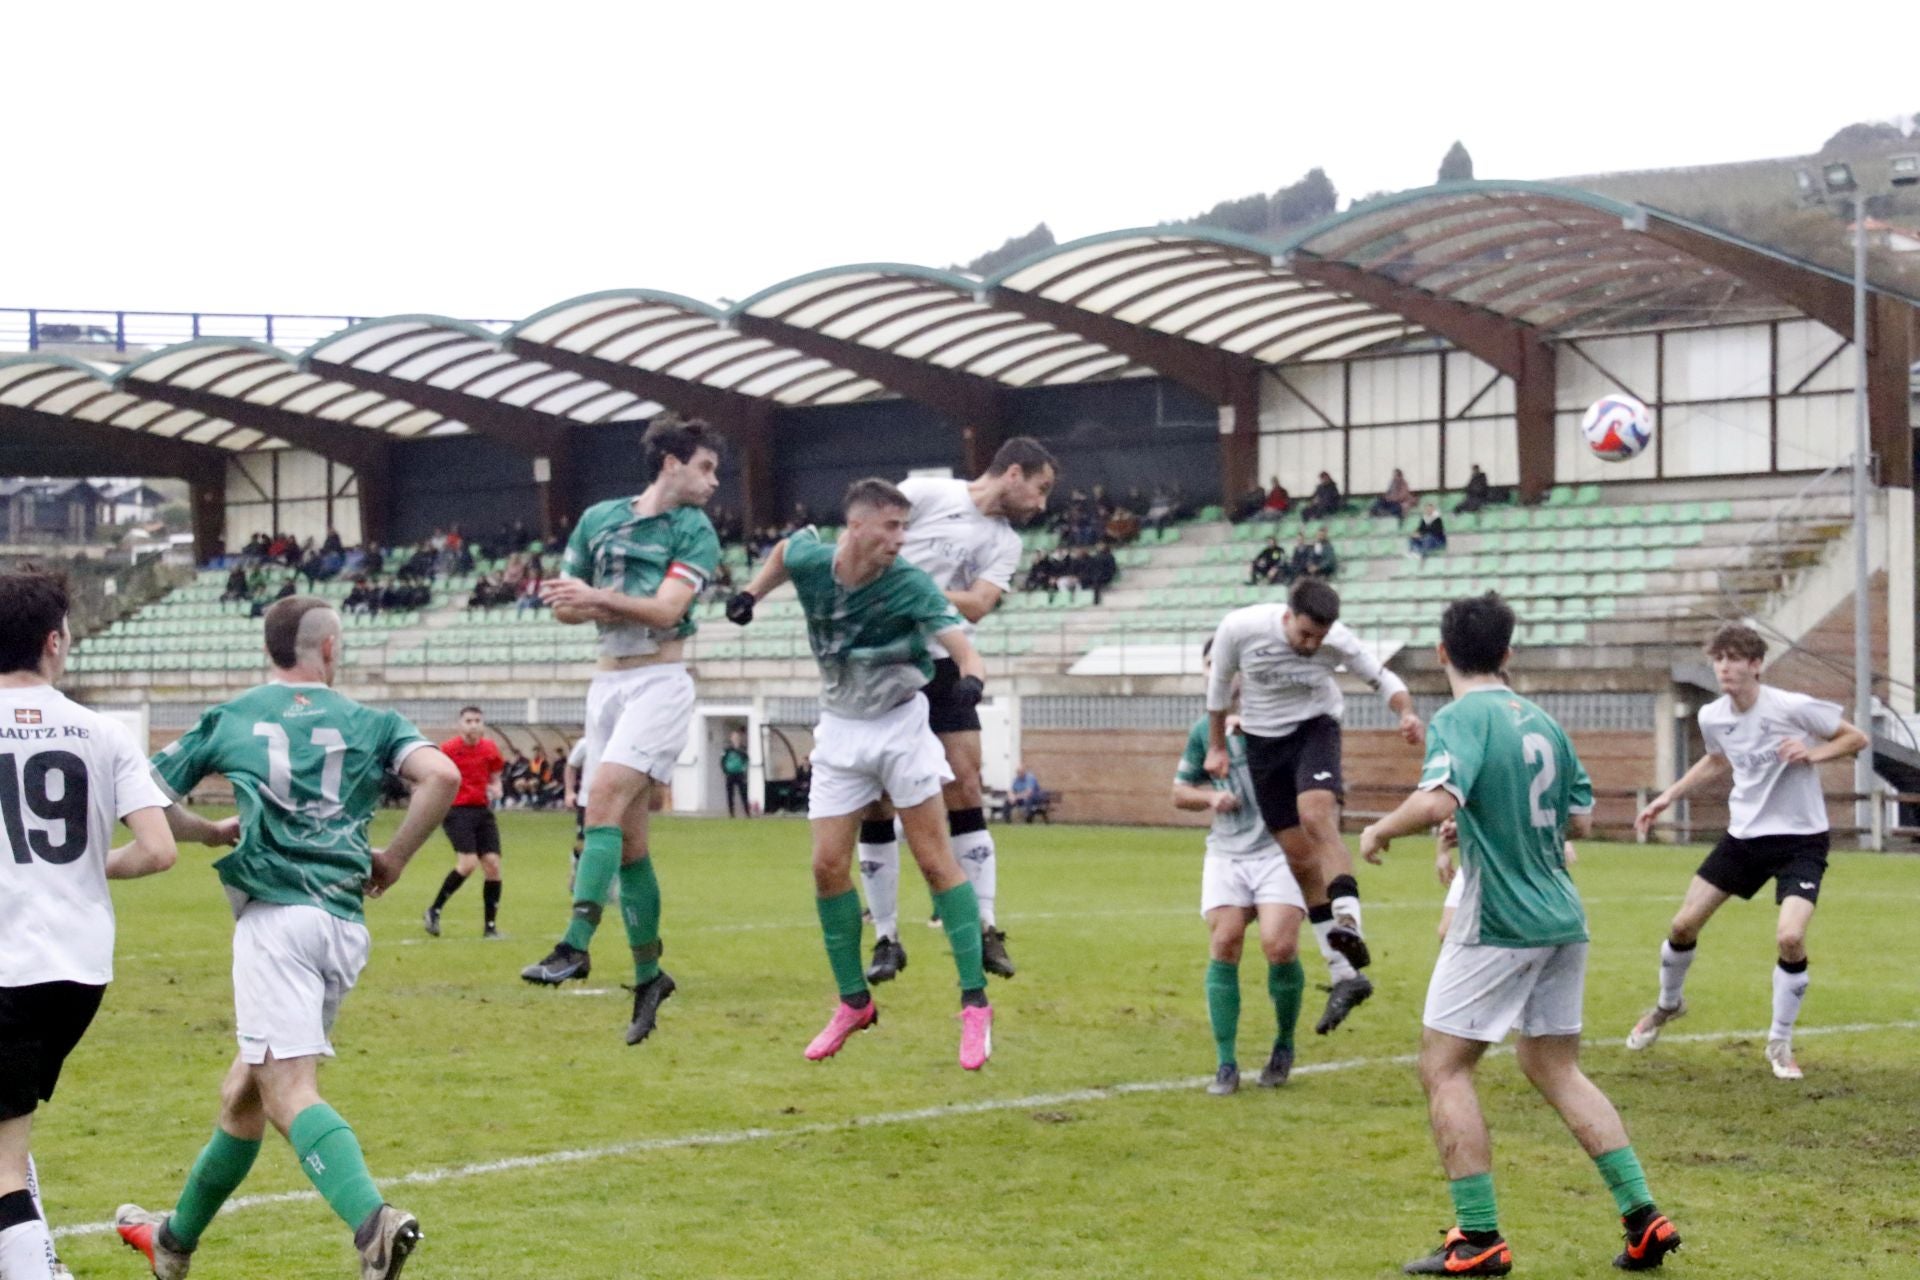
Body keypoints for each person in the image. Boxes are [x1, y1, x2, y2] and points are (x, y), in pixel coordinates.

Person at [116, 595, 460, 1280]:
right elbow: (441, 777)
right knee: (245, 1093)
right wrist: (392, 856)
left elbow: (143, 791)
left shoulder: (235, 716)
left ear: (271, 650)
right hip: (341, 921)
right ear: (328, 648)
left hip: (276, 919)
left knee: (288, 1088)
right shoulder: (372, 720)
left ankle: (374, 1224)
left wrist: (209, 830)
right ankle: (173, 1243)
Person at [1360, 592, 1681, 1276]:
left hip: (1502, 919)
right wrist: (1485, 819)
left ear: (1442, 652)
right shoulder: (1544, 722)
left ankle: (1478, 1237)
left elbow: (1441, 795)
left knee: (1444, 1066)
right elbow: (1581, 820)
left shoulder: (1459, 717)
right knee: (1554, 1066)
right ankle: (1643, 1217)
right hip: (1563, 917)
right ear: (1508, 653)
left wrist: (1383, 827)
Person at [727, 479, 997, 1070]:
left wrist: (972, 677)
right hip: (841, 728)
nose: (902, 539)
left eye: (905, 527)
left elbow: (963, 646)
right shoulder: (811, 558)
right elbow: (783, 553)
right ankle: (854, 1003)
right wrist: (750, 593)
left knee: (933, 859)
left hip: (900, 725)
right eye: (892, 528)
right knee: (826, 865)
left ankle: (975, 1003)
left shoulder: (910, 583)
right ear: (857, 527)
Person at [518, 420, 722, 1052]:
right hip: (606, 686)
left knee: (599, 799)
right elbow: (560, 603)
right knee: (630, 846)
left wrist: (597, 598)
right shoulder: (598, 518)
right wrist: (592, 601)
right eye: (706, 467)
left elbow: (665, 610)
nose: (713, 483)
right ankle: (648, 976)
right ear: (669, 463)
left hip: (661, 681)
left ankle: (574, 945)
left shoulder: (695, 530)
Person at [0, 571, 177, 1280]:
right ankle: (37, 1257)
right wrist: (79, 868)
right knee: (10, 1128)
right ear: (53, 642)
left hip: (6, 964)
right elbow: (159, 848)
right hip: (77, 971)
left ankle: (34, 1271)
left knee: (4, 1157)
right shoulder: (100, 730)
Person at [845, 439, 1057, 989]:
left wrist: (914, 592)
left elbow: (981, 603)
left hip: (942, 662)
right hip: (883, 659)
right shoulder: (926, 493)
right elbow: (868, 538)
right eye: (1041, 488)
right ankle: (887, 936)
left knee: (965, 783)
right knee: (877, 799)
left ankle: (986, 924)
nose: (1041, 503)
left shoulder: (1004, 541)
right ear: (1013, 473)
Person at [1627, 623, 1867, 1079]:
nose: (1725, 667)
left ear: (1756, 665)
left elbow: (1855, 738)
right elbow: (1718, 758)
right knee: (1682, 924)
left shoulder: (1791, 707)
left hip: (1801, 839)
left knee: (1790, 938)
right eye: (1719, 659)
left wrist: (1811, 754)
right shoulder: (1714, 716)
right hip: (1744, 838)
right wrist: (1668, 796)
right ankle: (1667, 1005)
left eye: (1735, 658)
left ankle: (1779, 1042)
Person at [1205, 579, 1424, 1034]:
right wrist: (1216, 747)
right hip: (1264, 744)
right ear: (1287, 616)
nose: (1311, 646)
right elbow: (1219, 686)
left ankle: (1350, 923)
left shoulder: (1336, 640)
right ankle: (1344, 973)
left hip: (1314, 729)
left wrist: (1405, 711)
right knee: (1299, 859)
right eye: (1305, 635)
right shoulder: (1240, 628)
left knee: (1316, 816)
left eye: (1319, 638)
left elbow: (1382, 678)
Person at [1177, 639, 1308, 1096]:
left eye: (1227, 667)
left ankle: (1284, 1044)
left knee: (1278, 946)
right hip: (1228, 852)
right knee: (1226, 940)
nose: (1220, 676)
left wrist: (1254, 734)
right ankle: (1226, 1063)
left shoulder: (1279, 722)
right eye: (1211, 667)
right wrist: (1212, 796)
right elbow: (1179, 791)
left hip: (1277, 850)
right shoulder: (1202, 732)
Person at [423, 706, 507, 939]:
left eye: (477, 720)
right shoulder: (449, 749)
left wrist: (496, 787)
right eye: (469, 721)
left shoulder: (490, 749)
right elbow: (436, 775)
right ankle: (434, 909)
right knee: (468, 863)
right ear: (460, 724)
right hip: (457, 810)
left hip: (482, 809)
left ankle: (490, 927)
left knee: (492, 865)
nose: (473, 725)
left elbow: (495, 775)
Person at [721, 729, 751, 818]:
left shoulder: (743, 749)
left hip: (740, 774)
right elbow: (722, 761)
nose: (735, 739)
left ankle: (747, 813)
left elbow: (746, 760)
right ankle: (731, 813)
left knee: (743, 793)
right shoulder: (727, 749)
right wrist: (725, 771)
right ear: (731, 738)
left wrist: (744, 769)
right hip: (730, 774)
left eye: (737, 737)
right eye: (734, 737)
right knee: (730, 794)